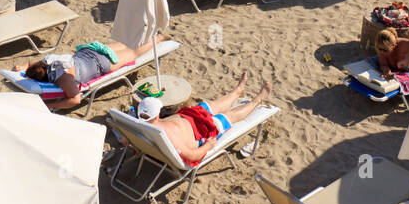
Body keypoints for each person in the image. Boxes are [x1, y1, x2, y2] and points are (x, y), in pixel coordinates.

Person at [136, 72, 272, 162]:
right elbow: (191, 155)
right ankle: (257, 101)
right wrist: (207, 146)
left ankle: (237, 92)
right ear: (156, 114)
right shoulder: (165, 136)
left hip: (190, 118)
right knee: (228, 116)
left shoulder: (138, 125)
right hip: (202, 133)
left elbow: (126, 140)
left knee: (211, 105)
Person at [17, 36, 168, 111]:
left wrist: (50, 105)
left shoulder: (63, 79)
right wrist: (19, 69)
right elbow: (25, 66)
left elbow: (76, 100)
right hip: (90, 51)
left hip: (102, 64)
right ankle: (147, 33)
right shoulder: (47, 60)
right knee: (125, 43)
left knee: (134, 52)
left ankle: (159, 38)